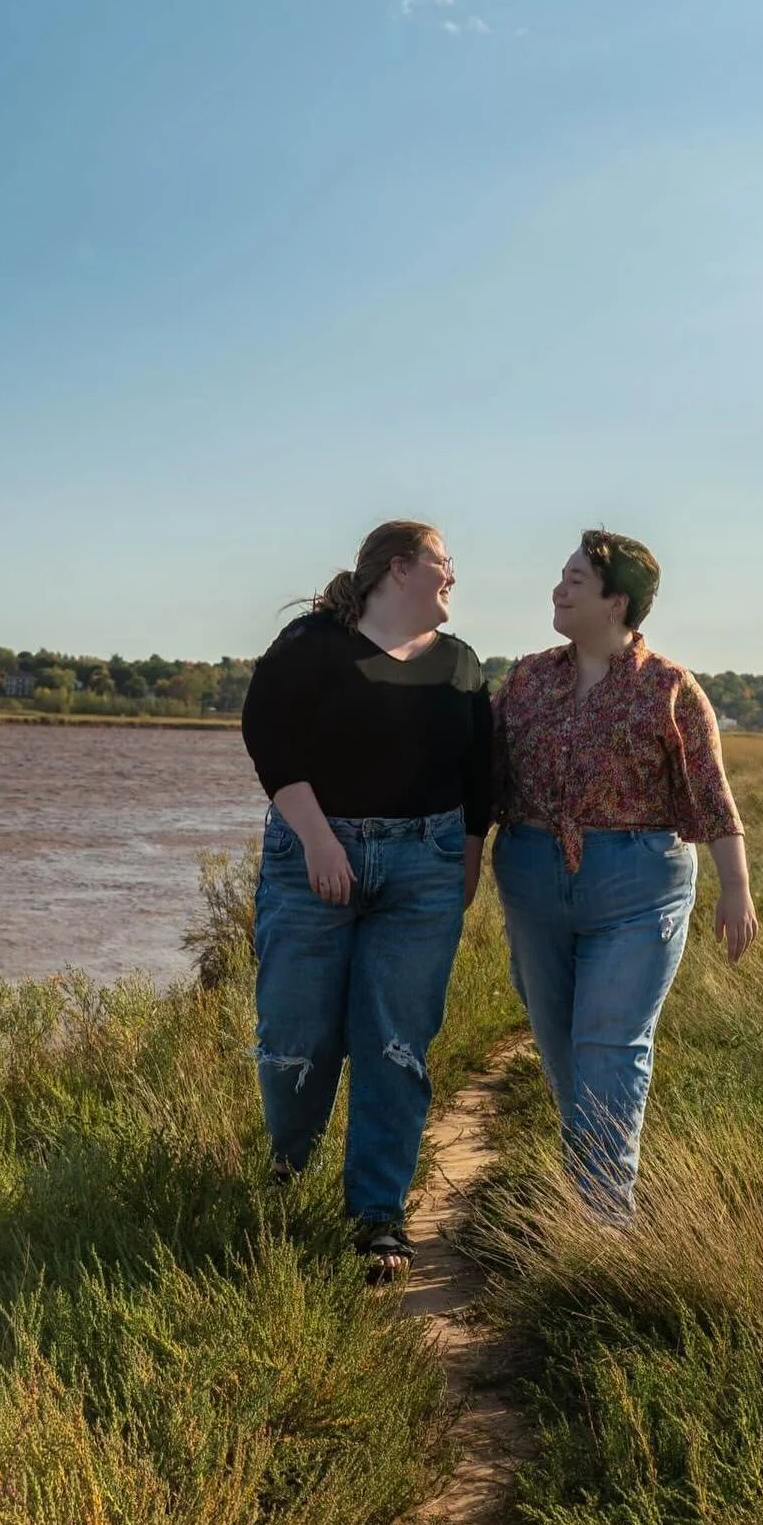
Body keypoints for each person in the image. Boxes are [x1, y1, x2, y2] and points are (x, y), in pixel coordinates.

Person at [240, 520, 492, 1280]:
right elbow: (269, 736)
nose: (454, 578)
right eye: (445, 564)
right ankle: (287, 1184)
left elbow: (482, 771)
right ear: (399, 568)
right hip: (312, 856)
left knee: (395, 1044)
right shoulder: (312, 642)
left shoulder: (462, 665)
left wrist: (469, 857)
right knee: (297, 1037)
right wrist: (319, 840)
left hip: (425, 869)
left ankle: (376, 1218)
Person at [492, 529, 757, 1221]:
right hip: (531, 876)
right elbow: (482, 781)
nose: (558, 588)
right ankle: (583, 1197)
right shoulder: (524, 681)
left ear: (617, 602)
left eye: (576, 579)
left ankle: (603, 1225)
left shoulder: (670, 688)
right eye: (561, 575)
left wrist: (737, 889)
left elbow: (711, 792)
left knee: (609, 1053)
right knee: (564, 1057)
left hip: (638, 886)